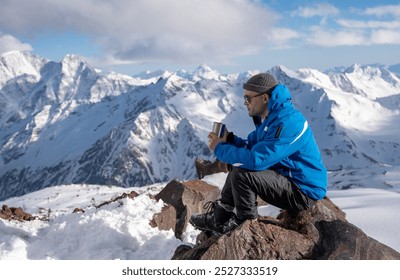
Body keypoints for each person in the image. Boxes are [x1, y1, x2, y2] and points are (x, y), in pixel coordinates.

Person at [190, 73, 328, 235]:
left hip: (303, 191)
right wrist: (230, 139)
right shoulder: (272, 119)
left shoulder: (289, 123)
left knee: (243, 173)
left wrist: (220, 149)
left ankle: (245, 223)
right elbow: (251, 146)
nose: (245, 103)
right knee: (239, 167)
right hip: (288, 180)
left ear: (264, 98)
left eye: (248, 98)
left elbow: (256, 160)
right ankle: (220, 217)